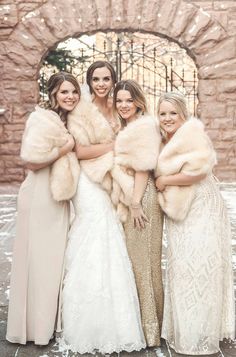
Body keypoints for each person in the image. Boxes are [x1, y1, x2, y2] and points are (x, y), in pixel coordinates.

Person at [61, 61, 146, 354]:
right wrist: (115, 145)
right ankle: (84, 321)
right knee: (94, 233)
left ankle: (116, 318)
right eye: (95, 78)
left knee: (113, 240)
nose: (101, 83)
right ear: (89, 81)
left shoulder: (119, 106)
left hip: (113, 181)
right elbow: (80, 151)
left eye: (106, 78)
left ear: (113, 80)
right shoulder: (81, 110)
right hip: (89, 181)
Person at [155, 91, 235, 355]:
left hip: (203, 207)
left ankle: (202, 331)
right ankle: (184, 327)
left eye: (172, 113)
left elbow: (199, 171)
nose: (167, 118)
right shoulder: (163, 138)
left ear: (183, 114)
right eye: (163, 113)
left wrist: (165, 182)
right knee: (181, 265)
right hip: (182, 210)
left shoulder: (192, 135)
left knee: (201, 265)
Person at [6, 72, 80, 345]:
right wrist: (65, 149)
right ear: (53, 95)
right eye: (64, 92)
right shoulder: (41, 119)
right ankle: (31, 329)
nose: (70, 96)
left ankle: (46, 326)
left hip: (57, 198)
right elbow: (32, 160)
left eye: (74, 92)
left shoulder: (68, 120)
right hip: (38, 197)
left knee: (53, 264)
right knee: (37, 263)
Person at [111, 79, 164, 347]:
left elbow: (143, 167)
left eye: (128, 100)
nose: (123, 105)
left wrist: (134, 202)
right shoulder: (128, 126)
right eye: (119, 100)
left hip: (142, 197)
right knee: (140, 262)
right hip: (133, 194)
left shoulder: (143, 126)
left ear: (138, 102)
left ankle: (151, 331)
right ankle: (147, 326)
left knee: (145, 263)